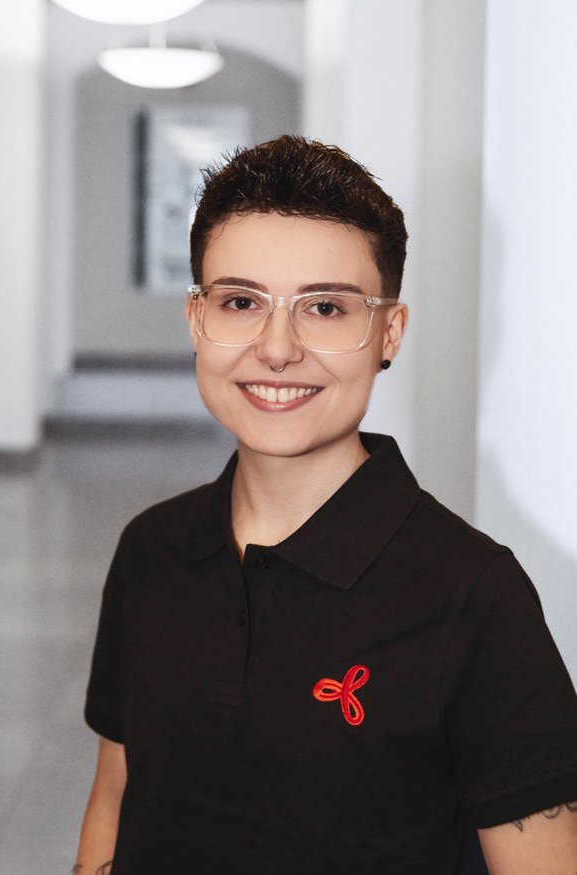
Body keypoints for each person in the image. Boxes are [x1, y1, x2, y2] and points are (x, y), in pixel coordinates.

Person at [74, 136, 577, 875]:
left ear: (387, 333)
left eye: (325, 308)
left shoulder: (474, 593)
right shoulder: (151, 549)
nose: (277, 348)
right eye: (240, 302)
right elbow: (114, 802)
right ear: (196, 318)